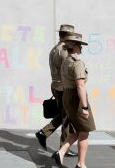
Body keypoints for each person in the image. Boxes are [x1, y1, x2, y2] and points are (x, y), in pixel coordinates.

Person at [51, 32, 96, 168]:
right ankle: (81, 164)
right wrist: (84, 107)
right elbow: (80, 86)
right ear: (75, 46)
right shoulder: (77, 63)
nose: (81, 48)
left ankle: (61, 152)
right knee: (84, 131)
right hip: (76, 98)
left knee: (77, 130)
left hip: (67, 96)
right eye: (80, 45)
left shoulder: (66, 61)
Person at [36, 24, 78, 157]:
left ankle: (44, 133)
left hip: (55, 85)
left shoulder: (54, 49)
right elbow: (69, 70)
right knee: (68, 117)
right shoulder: (64, 50)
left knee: (63, 114)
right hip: (64, 88)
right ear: (66, 36)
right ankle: (62, 148)